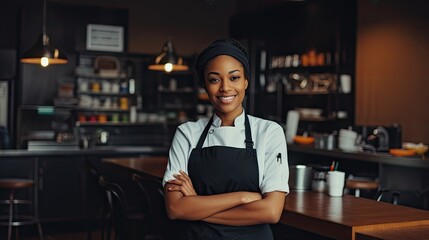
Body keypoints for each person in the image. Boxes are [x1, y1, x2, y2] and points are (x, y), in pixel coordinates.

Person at [162, 38, 289, 240]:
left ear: (246, 81)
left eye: (234, 77)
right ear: (205, 85)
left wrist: (196, 204)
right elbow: (175, 207)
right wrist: (242, 197)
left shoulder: (269, 132)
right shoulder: (187, 133)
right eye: (214, 79)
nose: (225, 88)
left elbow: (271, 212)